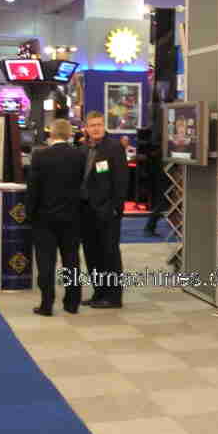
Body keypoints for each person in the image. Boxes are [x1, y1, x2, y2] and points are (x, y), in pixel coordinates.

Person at [26, 118, 86, 316]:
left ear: (51, 134)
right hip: (72, 218)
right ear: (69, 134)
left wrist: (29, 214)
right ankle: (72, 303)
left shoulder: (40, 156)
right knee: (71, 261)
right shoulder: (80, 156)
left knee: (46, 262)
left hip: (44, 218)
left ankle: (46, 304)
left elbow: (33, 189)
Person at [79, 110, 129, 309]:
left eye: (99, 125)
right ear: (86, 128)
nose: (96, 129)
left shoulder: (114, 148)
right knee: (92, 254)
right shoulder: (83, 148)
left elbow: (121, 181)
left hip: (107, 211)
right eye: (92, 125)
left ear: (104, 126)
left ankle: (114, 297)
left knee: (109, 254)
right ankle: (99, 292)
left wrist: (116, 207)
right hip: (86, 211)